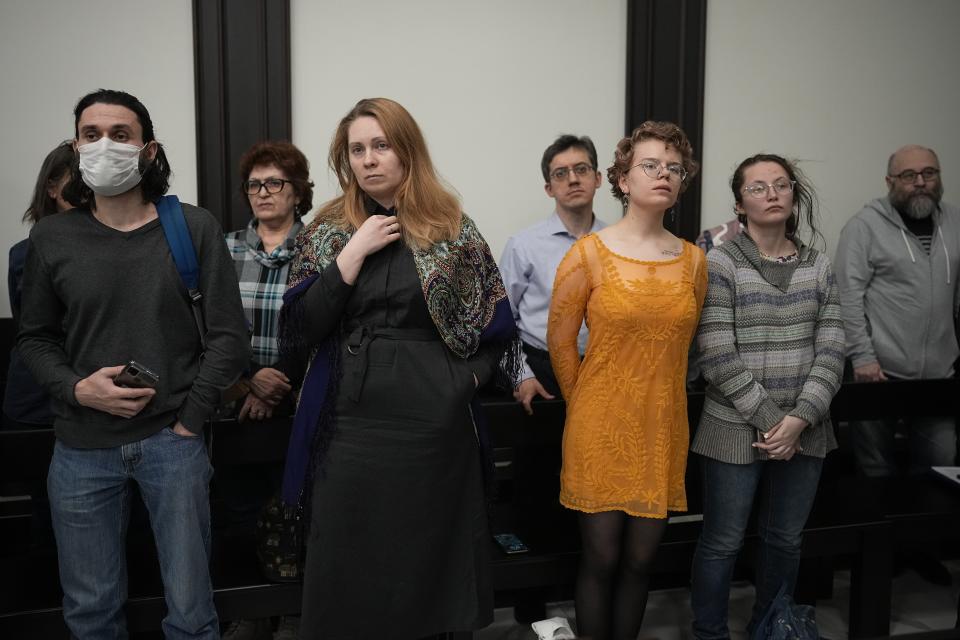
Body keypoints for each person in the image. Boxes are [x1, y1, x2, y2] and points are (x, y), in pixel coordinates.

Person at [278, 97, 518, 639]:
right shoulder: (327, 228)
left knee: (427, 558)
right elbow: (300, 330)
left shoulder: (453, 227)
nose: (369, 159)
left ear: (407, 150)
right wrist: (351, 255)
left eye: (381, 145)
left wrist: (467, 382)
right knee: (348, 555)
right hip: (348, 424)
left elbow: (497, 322)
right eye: (357, 149)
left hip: (433, 427)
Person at [17, 89, 249, 639]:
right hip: (80, 448)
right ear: (75, 147)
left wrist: (190, 420)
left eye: (119, 134)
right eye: (90, 134)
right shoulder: (52, 238)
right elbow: (35, 340)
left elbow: (228, 337)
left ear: (147, 150)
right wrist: (78, 390)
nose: (104, 145)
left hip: (173, 444)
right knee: (91, 612)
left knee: (192, 612)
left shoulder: (192, 228)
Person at [547, 121, 706, 640]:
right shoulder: (588, 253)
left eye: (674, 167)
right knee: (601, 558)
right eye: (650, 165)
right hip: (599, 425)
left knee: (642, 562)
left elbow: (687, 346)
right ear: (621, 179)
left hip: (662, 426)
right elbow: (560, 343)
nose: (664, 174)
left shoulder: (694, 261)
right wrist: (586, 404)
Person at [690, 154, 844, 639]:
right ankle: (710, 633)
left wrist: (799, 420)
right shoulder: (720, 262)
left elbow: (833, 348)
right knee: (722, 542)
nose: (772, 193)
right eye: (758, 188)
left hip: (806, 430)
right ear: (739, 204)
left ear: (793, 196)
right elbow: (715, 352)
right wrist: (773, 421)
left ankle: (769, 628)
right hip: (734, 427)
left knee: (785, 540)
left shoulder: (818, 265)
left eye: (781, 185)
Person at [221, 141, 312, 640]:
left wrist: (280, 383)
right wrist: (250, 378)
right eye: (255, 184)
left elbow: (329, 325)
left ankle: (296, 613)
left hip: (300, 402)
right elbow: (206, 327)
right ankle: (250, 611)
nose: (263, 192)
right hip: (237, 400)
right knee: (239, 511)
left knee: (298, 508)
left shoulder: (321, 245)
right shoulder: (224, 247)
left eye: (275, 182)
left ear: (297, 191)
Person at [835, 144, 959, 477]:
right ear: (890, 181)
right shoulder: (863, 226)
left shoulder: (955, 221)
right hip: (878, 375)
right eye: (909, 175)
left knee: (942, 467)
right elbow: (847, 296)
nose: (920, 181)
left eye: (928, 173)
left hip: (939, 378)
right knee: (875, 473)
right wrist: (861, 358)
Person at [500, 134, 605, 415]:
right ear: (549, 188)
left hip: (604, 371)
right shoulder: (522, 246)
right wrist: (521, 375)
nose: (572, 179)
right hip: (541, 372)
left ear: (598, 178)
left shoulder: (616, 245)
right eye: (561, 173)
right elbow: (500, 322)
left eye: (581, 169)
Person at [3, 141, 74, 430]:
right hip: (38, 399)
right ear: (52, 189)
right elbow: (34, 330)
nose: (87, 195)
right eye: (78, 184)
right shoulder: (26, 253)